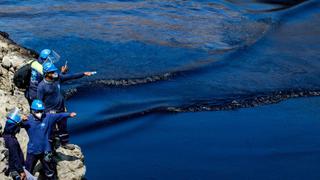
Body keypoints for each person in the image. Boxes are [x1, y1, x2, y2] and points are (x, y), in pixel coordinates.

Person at [37, 62, 94, 150]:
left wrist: (83, 74)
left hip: (61, 109)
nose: (54, 73)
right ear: (46, 73)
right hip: (50, 112)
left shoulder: (57, 78)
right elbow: (39, 102)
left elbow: (71, 76)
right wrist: (42, 115)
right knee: (51, 130)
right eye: (52, 72)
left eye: (54, 71)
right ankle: (50, 147)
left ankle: (65, 143)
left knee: (63, 127)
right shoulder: (41, 86)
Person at [23, 100, 77, 179]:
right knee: (28, 171)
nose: (40, 113)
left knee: (49, 171)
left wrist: (69, 114)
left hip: (46, 150)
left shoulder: (48, 117)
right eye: (37, 111)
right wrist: (20, 118)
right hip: (32, 151)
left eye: (41, 111)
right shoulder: (27, 120)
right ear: (32, 111)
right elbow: (12, 124)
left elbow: (60, 115)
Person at [2, 108, 26, 180]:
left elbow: (14, 123)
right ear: (15, 127)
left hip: (13, 168)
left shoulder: (5, 135)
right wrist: (21, 171)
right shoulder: (12, 141)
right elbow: (15, 157)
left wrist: (21, 120)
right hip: (15, 170)